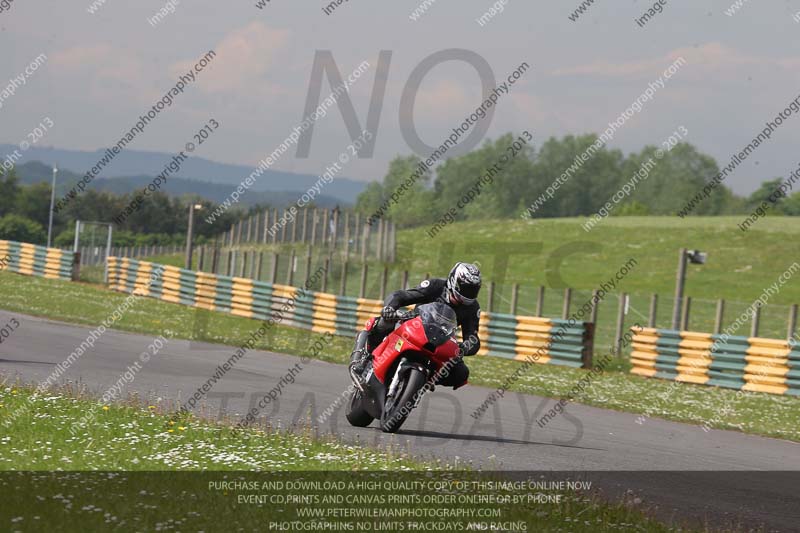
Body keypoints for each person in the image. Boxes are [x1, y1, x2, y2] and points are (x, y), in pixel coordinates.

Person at [353, 262, 482, 389]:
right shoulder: (435, 286)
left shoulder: (472, 308)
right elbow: (401, 296)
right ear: (455, 281)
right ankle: (364, 356)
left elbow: (473, 337)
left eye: (473, 290)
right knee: (386, 321)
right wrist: (390, 308)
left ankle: (424, 381)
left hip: (440, 341)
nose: (469, 293)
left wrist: (465, 347)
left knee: (461, 373)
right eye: (467, 288)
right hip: (414, 327)